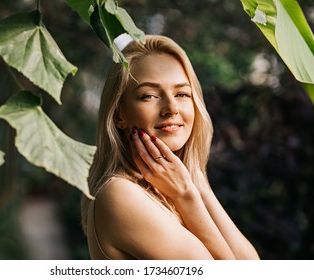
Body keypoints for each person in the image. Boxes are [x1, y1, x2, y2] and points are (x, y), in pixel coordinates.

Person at [81, 34, 259, 260]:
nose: (171, 108)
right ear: (119, 115)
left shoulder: (175, 185)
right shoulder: (120, 194)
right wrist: (186, 196)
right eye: (150, 96)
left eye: (182, 93)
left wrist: (196, 181)